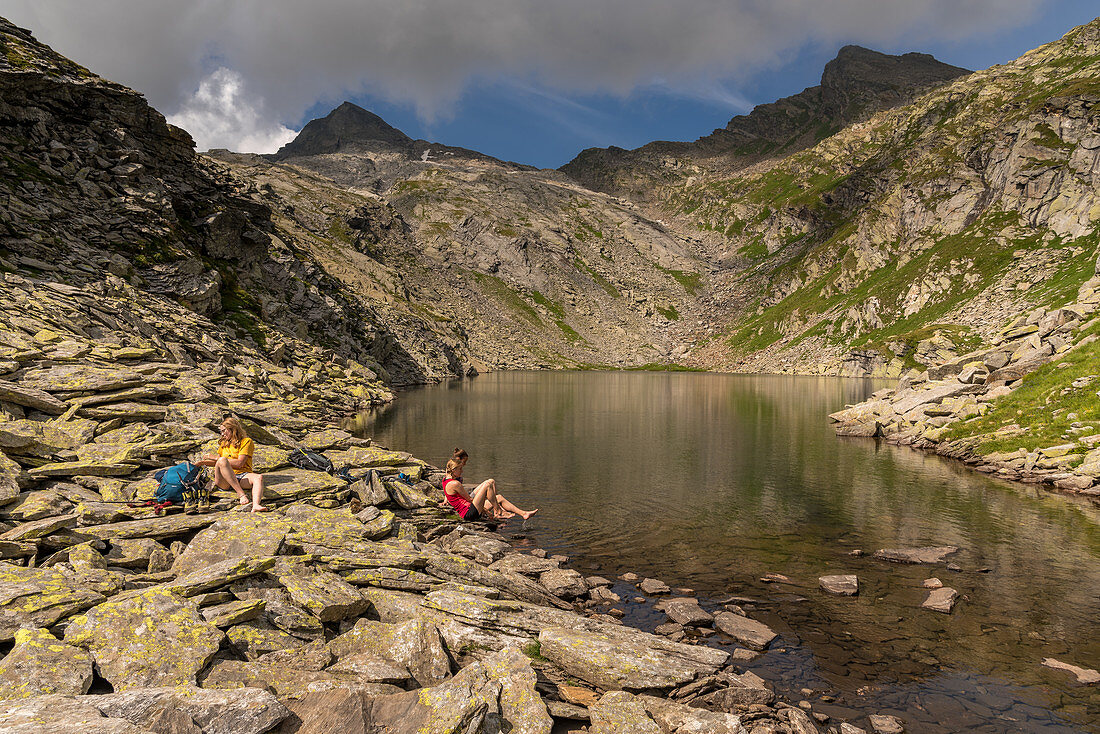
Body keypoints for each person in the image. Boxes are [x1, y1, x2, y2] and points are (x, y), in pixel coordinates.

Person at [441, 447, 537, 522]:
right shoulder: (455, 483)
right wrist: (486, 511)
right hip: (469, 513)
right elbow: (469, 499)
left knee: (498, 497)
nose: (462, 471)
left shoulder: (446, 479)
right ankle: (498, 512)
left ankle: (524, 514)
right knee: (487, 484)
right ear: (453, 470)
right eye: (460, 469)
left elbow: (454, 495)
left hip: (470, 509)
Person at [196, 416, 268, 512]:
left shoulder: (246, 442)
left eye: (223, 431)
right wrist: (202, 463)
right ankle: (241, 494)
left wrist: (215, 457)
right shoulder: (224, 444)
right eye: (221, 431)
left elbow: (239, 463)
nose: (222, 434)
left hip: (242, 475)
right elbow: (220, 463)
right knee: (222, 460)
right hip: (224, 480)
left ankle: (256, 505)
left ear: (233, 429)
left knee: (258, 477)